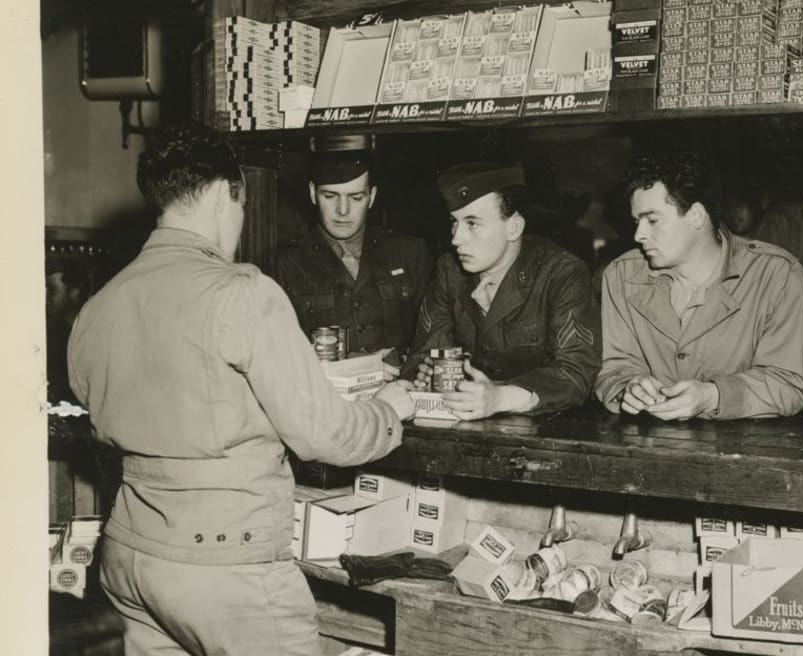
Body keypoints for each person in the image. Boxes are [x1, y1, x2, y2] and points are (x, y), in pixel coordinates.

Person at [67, 126, 415, 655]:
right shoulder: (242, 294)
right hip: (228, 568)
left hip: (130, 559)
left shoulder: (98, 306)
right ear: (222, 195)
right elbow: (328, 437)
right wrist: (389, 411)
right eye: (241, 205)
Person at [594, 152, 803, 420]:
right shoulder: (620, 277)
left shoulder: (777, 275)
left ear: (696, 216)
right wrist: (629, 387)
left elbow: (788, 383)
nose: (639, 235)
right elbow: (616, 367)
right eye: (637, 222)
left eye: (653, 220)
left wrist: (713, 396)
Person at [403, 161, 601, 420]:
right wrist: (423, 377)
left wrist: (499, 398)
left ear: (513, 227)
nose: (456, 238)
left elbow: (576, 373)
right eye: (454, 222)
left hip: (544, 430)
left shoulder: (561, 273)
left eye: (472, 223)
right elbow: (423, 354)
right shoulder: (449, 271)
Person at [272, 144, 433, 361]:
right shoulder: (285, 264)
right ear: (313, 193)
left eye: (356, 197)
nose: (343, 210)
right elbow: (276, 352)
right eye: (330, 196)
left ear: (372, 197)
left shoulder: (409, 253)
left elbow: (435, 337)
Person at [45, 260, 91, 401]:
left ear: (74, 293)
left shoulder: (92, 334)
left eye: (51, 290)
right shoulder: (50, 336)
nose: (45, 298)